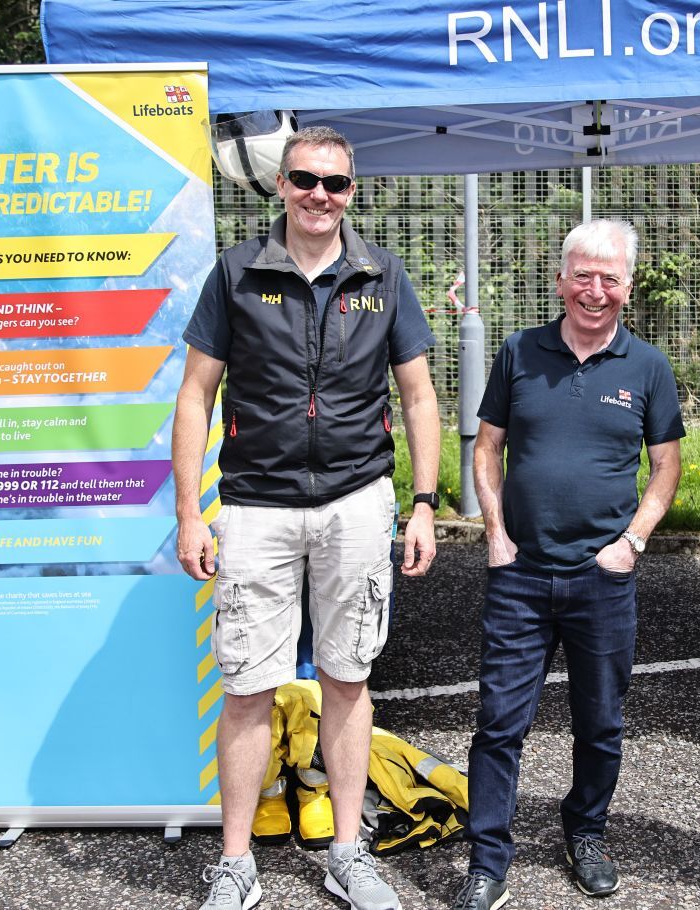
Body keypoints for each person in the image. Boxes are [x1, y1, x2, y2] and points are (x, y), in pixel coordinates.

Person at [173, 125, 441, 910]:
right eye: (304, 179)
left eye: (336, 183)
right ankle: (234, 864)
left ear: (353, 192)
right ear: (281, 185)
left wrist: (424, 505)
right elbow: (195, 395)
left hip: (359, 504)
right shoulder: (237, 273)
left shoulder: (382, 275)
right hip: (256, 506)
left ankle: (348, 854)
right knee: (249, 687)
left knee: (348, 678)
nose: (320, 195)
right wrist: (191, 513)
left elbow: (420, 397)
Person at [448, 220, 685, 910]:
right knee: (499, 724)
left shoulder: (647, 367)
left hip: (602, 578)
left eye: (609, 277)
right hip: (519, 576)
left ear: (628, 288)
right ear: (560, 280)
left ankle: (586, 833)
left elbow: (667, 467)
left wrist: (631, 543)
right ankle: (488, 860)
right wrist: (495, 533)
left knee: (601, 722)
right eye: (582, 274)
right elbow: (486, 449)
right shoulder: (520, 352)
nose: (594, 289)